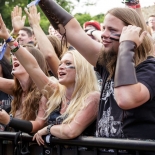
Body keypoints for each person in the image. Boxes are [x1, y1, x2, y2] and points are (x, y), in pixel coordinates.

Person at [38, 0, 155, 146]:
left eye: (112, 30)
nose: (104, 34)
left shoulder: (149, 69)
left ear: (132, 34)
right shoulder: (109, 63)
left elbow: (125, 99)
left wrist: (127, 45)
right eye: (104, 28)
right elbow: (72, 31)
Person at [0, 11, 100, 145]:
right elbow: (33, 67)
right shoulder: (56, 92)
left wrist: (48, 129)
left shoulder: (92, 97)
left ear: (81, 71)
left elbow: (71, 131)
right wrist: (8, 38)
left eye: (68, 64)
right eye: (61, 63)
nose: (61, 67)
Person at [0, 44, 48, 133]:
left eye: (20, 56)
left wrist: (9, 120)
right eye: (14, 55)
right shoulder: (19, 90)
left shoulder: (45, 92)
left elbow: (38, 125)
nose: (14, 58)